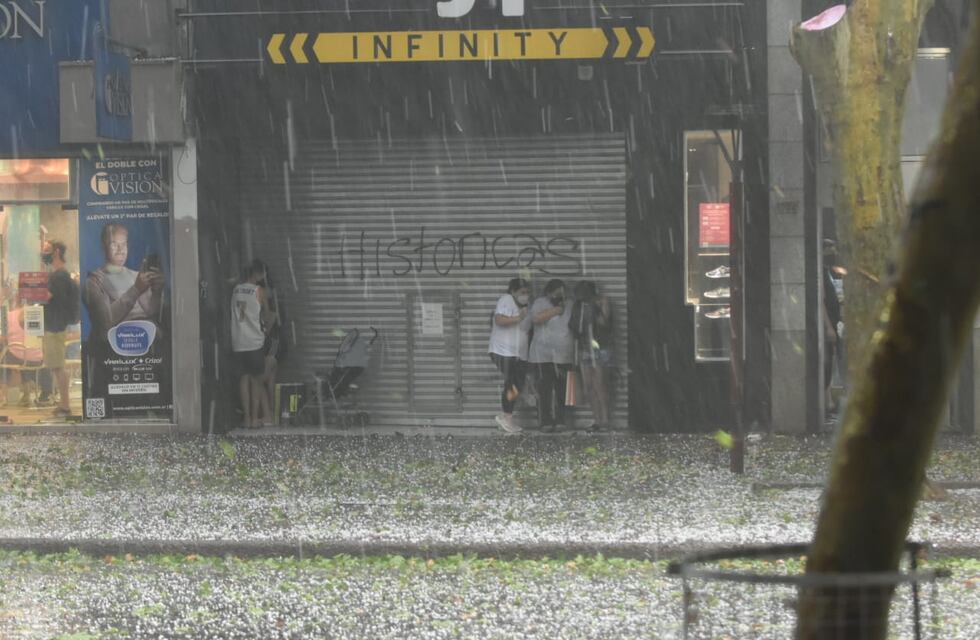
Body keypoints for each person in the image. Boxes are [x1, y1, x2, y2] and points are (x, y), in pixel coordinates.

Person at [83, 223, 165, 337]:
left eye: (124, 244)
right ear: (103, 247)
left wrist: (157, 291)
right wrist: (136, 289)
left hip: (149, 339)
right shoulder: (94, 281)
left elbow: (151, 311)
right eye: (114, 245)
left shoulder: (136, 276)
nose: (120, 250)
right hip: (118, 343)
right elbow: (106, 321)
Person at [231, 259, 276, 428]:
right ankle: (256, 417)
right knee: (257, 380)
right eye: (262, 274)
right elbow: (266, 315)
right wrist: (268, 327)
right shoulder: (259, 291)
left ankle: (247, 417)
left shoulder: (236, 289)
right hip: (254, 342)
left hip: (238, 341)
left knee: (243, 379)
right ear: (257, 274)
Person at [528, 278, 574, 432]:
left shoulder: (570, 304)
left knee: (563, 390)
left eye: (562, 294)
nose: (559, 297)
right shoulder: (540, 303)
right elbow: (535, 319)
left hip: (564, 355)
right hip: (542, 355)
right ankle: (545, 422)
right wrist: (555, 311)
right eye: (556, 294)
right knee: (544, 390)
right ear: (548, 293)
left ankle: (561, 420)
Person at [41, 240, 80, 418]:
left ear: (56, 252)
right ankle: (63, 404)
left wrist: (30, 289)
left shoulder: (58, 276)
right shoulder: (60, 275)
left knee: (58, 366)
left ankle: (65, 405)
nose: (44, 253)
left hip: (55, 326)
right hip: (56, 324)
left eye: (46, 250)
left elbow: (47, 296)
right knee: (56, 366)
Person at [488, 277, 531, 433]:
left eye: (527, 292)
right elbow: (499, 319)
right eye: (522, 292)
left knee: (516, 384)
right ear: (513, 292)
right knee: (512, 383)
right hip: (503, 351)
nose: (525, 295)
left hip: (518, 354)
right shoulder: (506, 300)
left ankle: (508, 417)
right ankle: (506, 417)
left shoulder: (525, 306)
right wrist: (519, 317)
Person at [569, 280, 613, 432]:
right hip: (584, 348)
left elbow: (604, 323)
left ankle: (605, 420)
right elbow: (573, 326)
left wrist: (596, 308)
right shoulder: (578, 305)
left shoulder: (601, 301)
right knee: (589, 386)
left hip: (600, 347)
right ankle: (597, 420)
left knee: (600, 385)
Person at [0, 289, 53, 407]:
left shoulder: (7, 315)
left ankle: (3, 395)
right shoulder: (37, 314)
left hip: (16, 356)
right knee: (28, 359)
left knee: (4, 359)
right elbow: (42, 337)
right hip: (36, 358)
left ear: (15, 300)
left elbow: (3, 338)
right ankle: (42, 392)